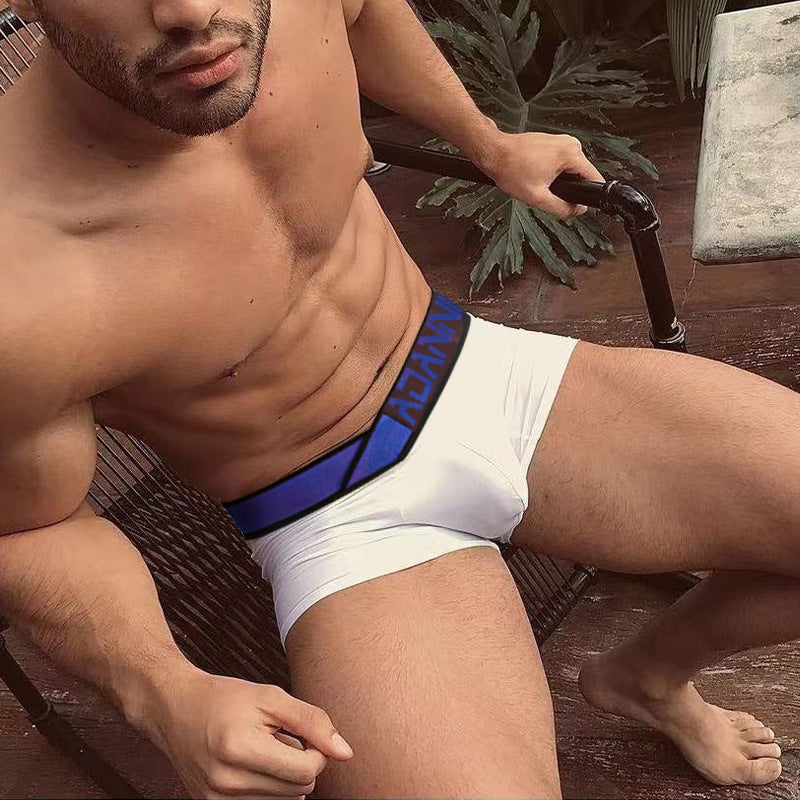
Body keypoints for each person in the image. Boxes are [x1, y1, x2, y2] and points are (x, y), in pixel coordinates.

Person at [0, 0, 795, 797]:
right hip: (339, 515)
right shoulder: (16, 277)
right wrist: (166, 693)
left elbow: (367, 13)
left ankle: (649, 675)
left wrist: (488, 140)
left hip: (474, 366)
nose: (192, 8)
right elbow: (31, 528)